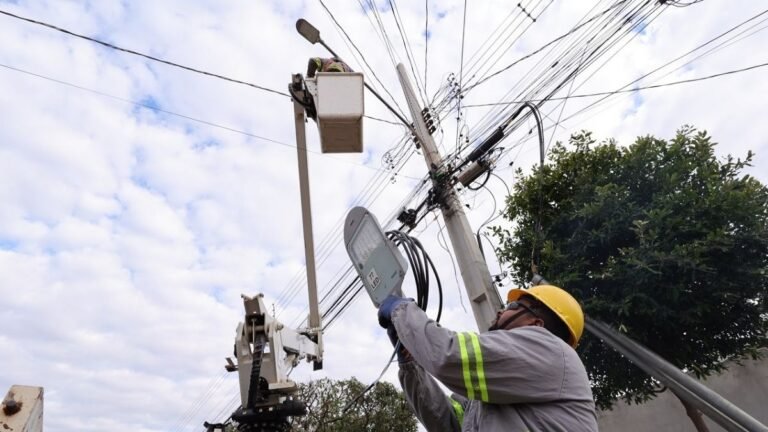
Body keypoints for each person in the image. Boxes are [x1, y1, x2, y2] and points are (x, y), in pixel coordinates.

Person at [378, 284, 599, 431]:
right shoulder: (497, 391)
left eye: (513, 306)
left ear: (536, 324)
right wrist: (410, 364)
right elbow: (447, 421)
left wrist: (402, 310)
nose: (501, 311)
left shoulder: (550, 351)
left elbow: (449, 354)